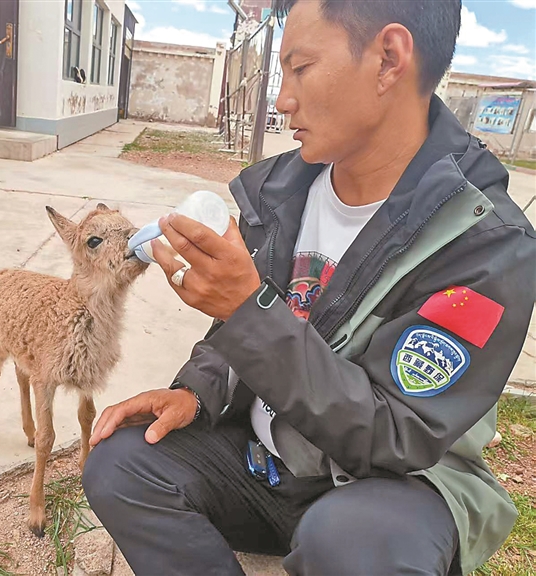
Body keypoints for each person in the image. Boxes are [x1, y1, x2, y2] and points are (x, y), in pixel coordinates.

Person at [82, 1, 536, 574]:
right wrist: (197, 392)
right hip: (266, 465)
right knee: (121, 462)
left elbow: (398, 433)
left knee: (352, 542)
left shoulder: (482, 242)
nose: (281, 100)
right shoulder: (281, 191)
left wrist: (249, 311)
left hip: (390, 488)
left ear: (389, 60)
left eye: (300, 67)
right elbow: (238, 329)